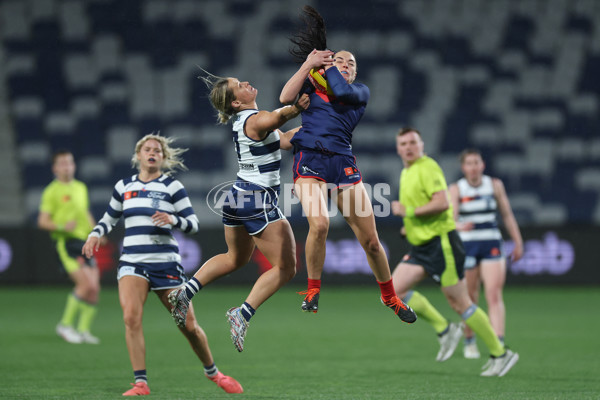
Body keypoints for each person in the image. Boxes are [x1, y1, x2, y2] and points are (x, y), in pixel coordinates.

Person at [278, 5, 416, 323]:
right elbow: (286, 97)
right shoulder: (311, 84)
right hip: (310, 161)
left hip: (342, 164)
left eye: (350, 63)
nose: (344, 65)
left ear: (355, 73)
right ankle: (313, 290)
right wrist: (308, 65)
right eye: (338, 59)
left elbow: (338, 88)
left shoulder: (358, 92)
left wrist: (324, 69)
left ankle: (390, 297)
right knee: (321, 224)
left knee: (371, 241)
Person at [82, 134, 242, 396]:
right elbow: (109, 219)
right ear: (138, 155)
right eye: (147, 149)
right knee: (131, 318)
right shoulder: (124, 186)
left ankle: (213, 372)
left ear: (164, 158)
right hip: (133, 263)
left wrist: (173, 219)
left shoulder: (172, 187)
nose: (152, 153)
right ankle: (140, 383)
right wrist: (95, 233)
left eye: (157, 150)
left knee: (188, 326)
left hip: (165, 263)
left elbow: (193, 224)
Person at [168, 72, 310, 353]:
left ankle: (185, 291)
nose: (246, 83)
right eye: (239, 86)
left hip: (237, 196)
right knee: (286, 267)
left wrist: (317, 127)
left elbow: (284, 139)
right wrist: (297, 108)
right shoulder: (255, 119)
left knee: (235, 258)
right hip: (257, 199)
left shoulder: (245, 122)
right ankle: (242, 313)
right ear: (235, 103)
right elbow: (277, 119)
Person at [391, 128, 519, 377]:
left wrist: (407, 213)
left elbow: (442, 203)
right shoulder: (407, 172)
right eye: (403, 143)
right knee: (394, 291)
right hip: (422, 246)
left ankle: (501, 353)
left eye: (413, 142)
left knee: (461, 303)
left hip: (442, 245)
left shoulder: (427, 167)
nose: (408, 147)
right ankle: (445, 329)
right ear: (398, 148)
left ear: (421, 145)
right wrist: (410, 226)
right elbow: (422, 206)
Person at [449, 149, 523, 359]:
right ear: (463, 168)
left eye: (477, 162)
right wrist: (459, 226)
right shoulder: (456, 189)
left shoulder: (494, 185)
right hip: (468, 245)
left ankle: (498, 343)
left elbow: (507, 215)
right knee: (470, 296)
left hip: (491, 243)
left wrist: (518, 241)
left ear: (482, 165)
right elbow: (450, 219)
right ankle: (470, 340)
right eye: (469, 163)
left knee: (493, 293)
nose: (473, 167)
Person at [38, 150, 100, 345]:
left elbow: (86, 213)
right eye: (63, 163)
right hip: (66, 243)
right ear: (55, 168)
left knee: (94, 288)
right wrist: (61, 226)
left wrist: (97, 231)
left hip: (84, 242)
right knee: (85, 285)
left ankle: (83, 330)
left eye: (70, 162)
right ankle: (64, 325)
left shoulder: (81, 187)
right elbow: (42, 221)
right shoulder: (51, 191)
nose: (67, 166)